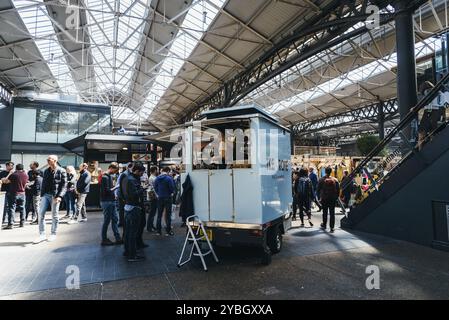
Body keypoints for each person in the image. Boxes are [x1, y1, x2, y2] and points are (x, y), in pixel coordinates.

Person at [34, 155, 67, 243]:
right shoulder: (46, 171)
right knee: (41, 214)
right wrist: (42, 195)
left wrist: (60, 196)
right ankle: (42, 234)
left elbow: (64, 185)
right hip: (45, 195)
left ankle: (53, 234)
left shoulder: (61, 170)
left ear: (55, 160)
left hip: (55, 196)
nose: (48, 161)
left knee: (54, 215)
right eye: (47, 159)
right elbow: (44, 183)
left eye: (49, 159)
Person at [120, 162, 146, 262]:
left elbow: (121, 193)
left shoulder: (125, 178)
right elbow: (133, 194)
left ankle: (127, 251)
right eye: (141, 173)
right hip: (134, 208)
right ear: (137, 171)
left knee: (127, 232)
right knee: (132, 232)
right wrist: (142, 189)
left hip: (127, 207)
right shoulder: (132, 180)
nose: (142, 175)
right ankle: (132, 254)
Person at [100, 162, 123, 246]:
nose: (115, 172)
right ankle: (104, 239)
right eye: (115, 170)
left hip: (110, 201)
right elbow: (106, 191)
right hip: (107, 201)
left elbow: (107, 190)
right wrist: (116, 187)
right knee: (107, 221)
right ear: (111, 168)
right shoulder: (105, 177)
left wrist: (114, 194)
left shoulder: (107, 176)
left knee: (115, 219)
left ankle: (117, 238)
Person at [2, 163, 28, 229]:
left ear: (16, 168)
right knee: (22, 208)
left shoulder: (14, 175)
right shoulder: (25, 175)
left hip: (13, 193)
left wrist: (9, 174)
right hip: (22, 193)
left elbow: (5, 181)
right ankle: (22, 223)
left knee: (11, 208)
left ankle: (11, 224)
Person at [317, 166, 340, 233]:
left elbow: (318, 190)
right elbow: (338, 190)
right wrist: (336, 197)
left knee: (325, 212)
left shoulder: (321, 179)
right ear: (331, 172)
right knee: (332, 213)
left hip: (324, 198)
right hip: (332, 199)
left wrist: (319, 198)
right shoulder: (335, 180)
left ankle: (324, 224)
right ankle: (332, 227)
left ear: (325, 171)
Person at [154, 166, 175, 236]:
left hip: (160, 197)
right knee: (168, 215)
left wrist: (158, 193)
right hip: (168, 197)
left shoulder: (157, 178)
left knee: (159, 215)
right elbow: (172, 188)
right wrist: (171, 193)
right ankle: (168, 231)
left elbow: (155, 187)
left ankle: (158, 231)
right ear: (168, 171)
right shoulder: (169, 178)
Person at [146, 166, 159, 232]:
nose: (157, 171)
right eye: (157, 170)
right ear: (154, 170)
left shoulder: (153, 177)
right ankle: (149, 227)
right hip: (153, 197)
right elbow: (153, 188)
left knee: (153, 212)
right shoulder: (152, 178)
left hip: (153, 196)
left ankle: (151, 225)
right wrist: (157, 196)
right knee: (152, 212)